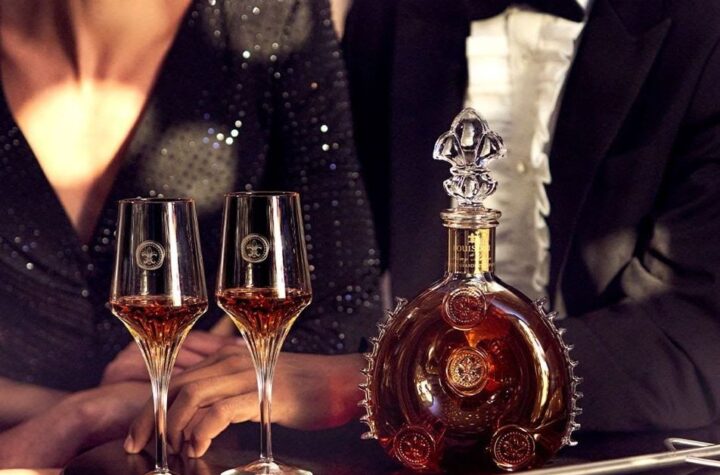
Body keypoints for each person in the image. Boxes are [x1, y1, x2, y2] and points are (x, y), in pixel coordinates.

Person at [0, 0, 378, 467]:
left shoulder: (265, 16)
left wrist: (104, 411)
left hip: (200, 456)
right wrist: (73, 412)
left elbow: (342, 319)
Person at [342, 0, 720, 432]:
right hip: (428, 442)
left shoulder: (705, 29)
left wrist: (384, 378)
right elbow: (344, 263)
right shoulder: (388, 14)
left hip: (622, 442)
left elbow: (696, 341)